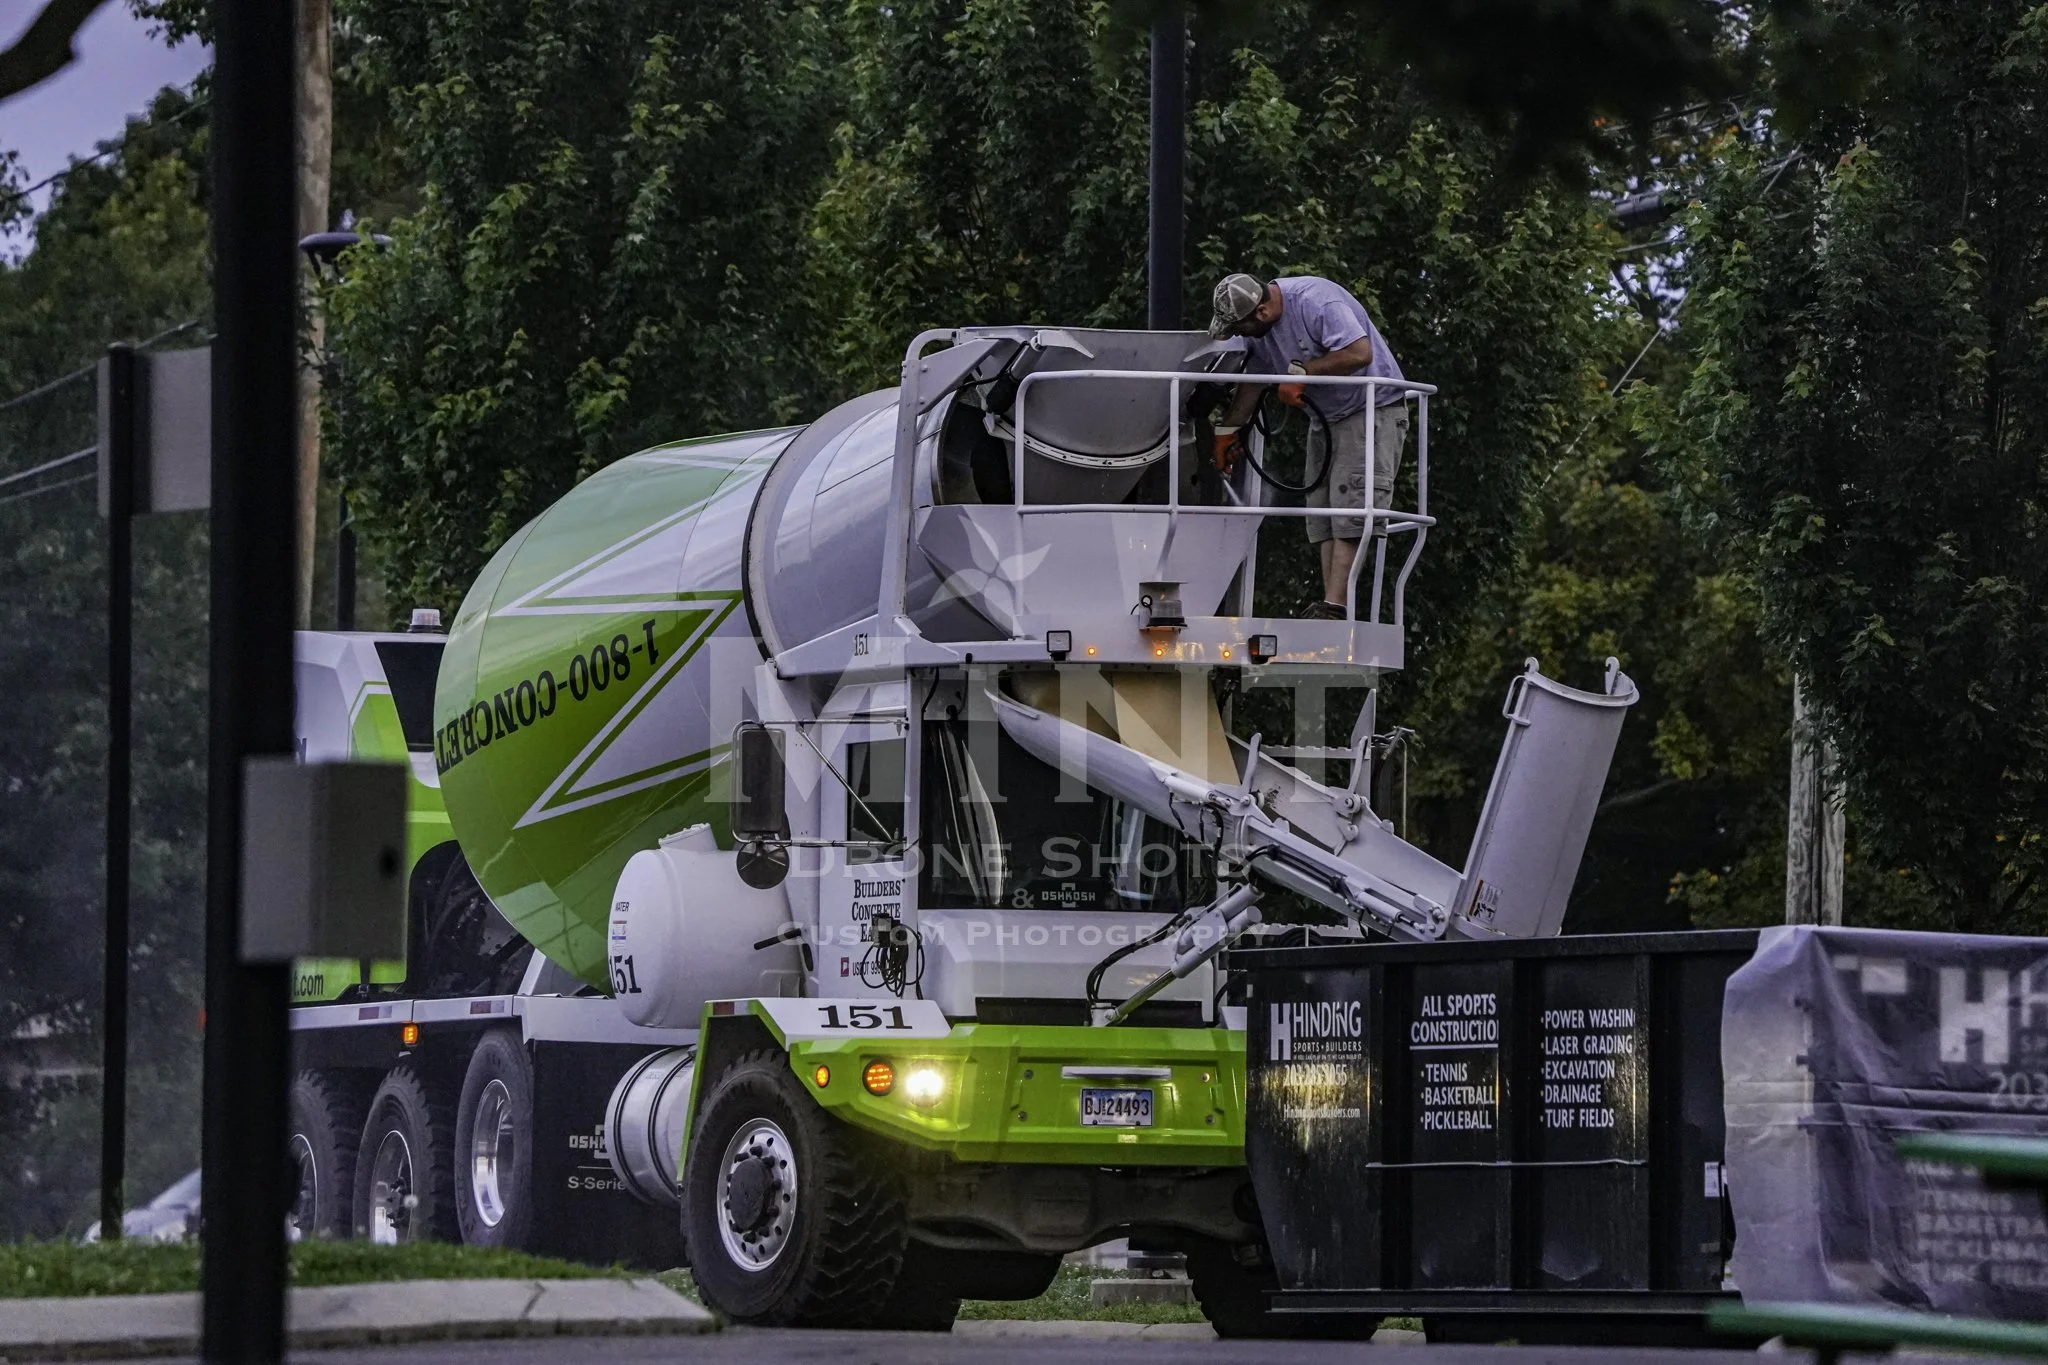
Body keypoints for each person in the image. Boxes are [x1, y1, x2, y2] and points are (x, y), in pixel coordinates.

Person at [1207, 272, 1408, 620]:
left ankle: (1336, 606)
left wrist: (1304, 372)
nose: (1238, 335)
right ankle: (1331, 605)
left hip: (1371, 409)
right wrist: (1227, 431)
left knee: (1350, 508)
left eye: (1239, 327)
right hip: (1329, 417)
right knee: (1324, 513)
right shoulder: (1262, 331)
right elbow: (1254, 383)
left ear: (1262, 313)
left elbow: (1360, 353)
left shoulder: (1316, 301)